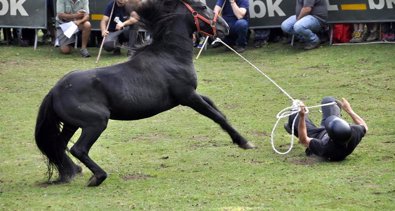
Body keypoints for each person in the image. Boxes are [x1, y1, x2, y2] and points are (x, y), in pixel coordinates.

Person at [284, 97, 368, 161]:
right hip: (330, 134)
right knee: (329, 101)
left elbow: (304, 140)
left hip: (317, 136)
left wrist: (302, 116)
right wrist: (349, 110)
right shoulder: (353, 132)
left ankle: (292, 127)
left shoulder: (325, 147)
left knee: (295, 114)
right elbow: (364, 126)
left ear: (330, 136)